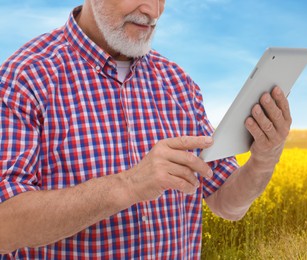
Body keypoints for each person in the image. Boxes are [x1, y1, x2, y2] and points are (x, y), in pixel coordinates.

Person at [0, 0, 291, 258]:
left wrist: (264, 159)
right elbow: (5, 227)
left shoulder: (177, 82)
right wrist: (129, 185)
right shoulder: (25, 78)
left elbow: (226, 203)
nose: (152, 11)